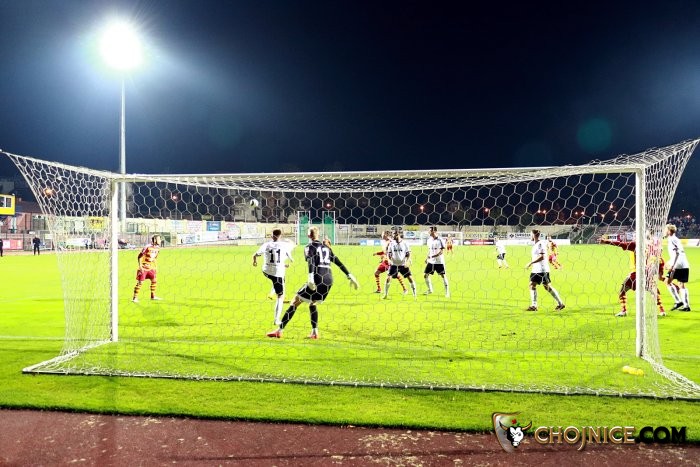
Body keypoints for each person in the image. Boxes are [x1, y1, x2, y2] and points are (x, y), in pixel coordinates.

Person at [266, 227, 359, 339]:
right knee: (313, 303)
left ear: (308, 235)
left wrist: (310, 278)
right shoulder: (326, 247)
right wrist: (350, 275)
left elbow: (311, 262)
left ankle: (279, 331)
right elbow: (338, 261)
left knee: (295, 301)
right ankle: (314, 333)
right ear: (318, 234)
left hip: (317, 279)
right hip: (328, 280)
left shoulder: (309, 247)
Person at [599, 236, 666, 317]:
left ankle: (623, 311)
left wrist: (606, 241)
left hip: (635, 274)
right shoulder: (648, 246)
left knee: (622, 291)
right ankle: (662, 310)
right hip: (646, 274)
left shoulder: (635, 244)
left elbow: (621, 244)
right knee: (654, 292)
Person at [253, 229, 294, 325]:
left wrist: (254, 261)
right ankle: (276, 320)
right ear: (280, 236)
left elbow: (255, 255)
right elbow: (292, 251)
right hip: (277, 272)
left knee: (279, 279)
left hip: (266, 271)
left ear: (272, 236)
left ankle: (272, 292)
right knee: (280, 296)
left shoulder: (266, 245)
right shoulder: (284, 245)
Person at [525, 229, 565, 311]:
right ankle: (534, 306)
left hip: (542, 269)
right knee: (532, 285)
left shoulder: (540, 244)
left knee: (547, 287)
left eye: (531, 234)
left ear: (534, 235)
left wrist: (531, 262)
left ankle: (560, 303)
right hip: (536, 269)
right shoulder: (535, 244)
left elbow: (542, 256)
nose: (530, 236)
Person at [382, 230, 417, 299]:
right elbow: (389, 254)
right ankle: (385, 295)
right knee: (388, 278)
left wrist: (407, 261)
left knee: (410, 278)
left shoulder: (405, 243)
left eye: (394, 234)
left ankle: (415, 295)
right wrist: (389, 260)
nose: (393, 236)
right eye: (392, 235)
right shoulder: (391, 244)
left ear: (398, 234)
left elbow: (408, 253)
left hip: (403, 264)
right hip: (394, 264)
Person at [665, 223, 691, 311]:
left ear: (669, 231)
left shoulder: (672, 240)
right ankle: (686, 306)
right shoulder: (676, 239)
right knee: (681, 284)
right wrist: (669, 262)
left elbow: (677, 253)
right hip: (684, 264)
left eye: (666, 230)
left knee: (667, 282)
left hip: (677, 265)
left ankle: (678, 301)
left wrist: (672, 265)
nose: (664, 231)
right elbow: (678, 253)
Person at [373, 230, 407, 294]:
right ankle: (379, 289)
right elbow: (385, 252)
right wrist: (378, 254)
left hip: (390, 262)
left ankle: (405, 289)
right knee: (376, 273)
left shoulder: (391, 242)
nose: (382, 235)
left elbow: (392, 251)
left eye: (383, 234)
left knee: (396, 275)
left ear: (386, 234)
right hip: (386, 261)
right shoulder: (386, 242)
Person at [132, 235, 162, 303]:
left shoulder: (157, 248)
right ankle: (134, 298)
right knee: (140, 282)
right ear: (155, 240)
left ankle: (153, 296)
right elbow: (139, 256)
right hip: (143, 267)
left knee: (154, 280)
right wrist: (140, 266)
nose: (160, 240)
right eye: (159, 239)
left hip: (151, 268)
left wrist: (156, 267)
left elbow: (154, 258)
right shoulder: (147, 247)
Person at [424, 226, 449, 297]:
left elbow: (441, 251)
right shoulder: (429, 240)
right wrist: (427, 257)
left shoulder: (440, 240)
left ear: (434, 231)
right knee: (425, 275)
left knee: (443, 276)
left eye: (430, 231)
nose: (429, 232)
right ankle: (430, 290)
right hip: (431, 261)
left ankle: (447, 292)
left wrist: (433, 256)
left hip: (439, 261)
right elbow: (430, 250)